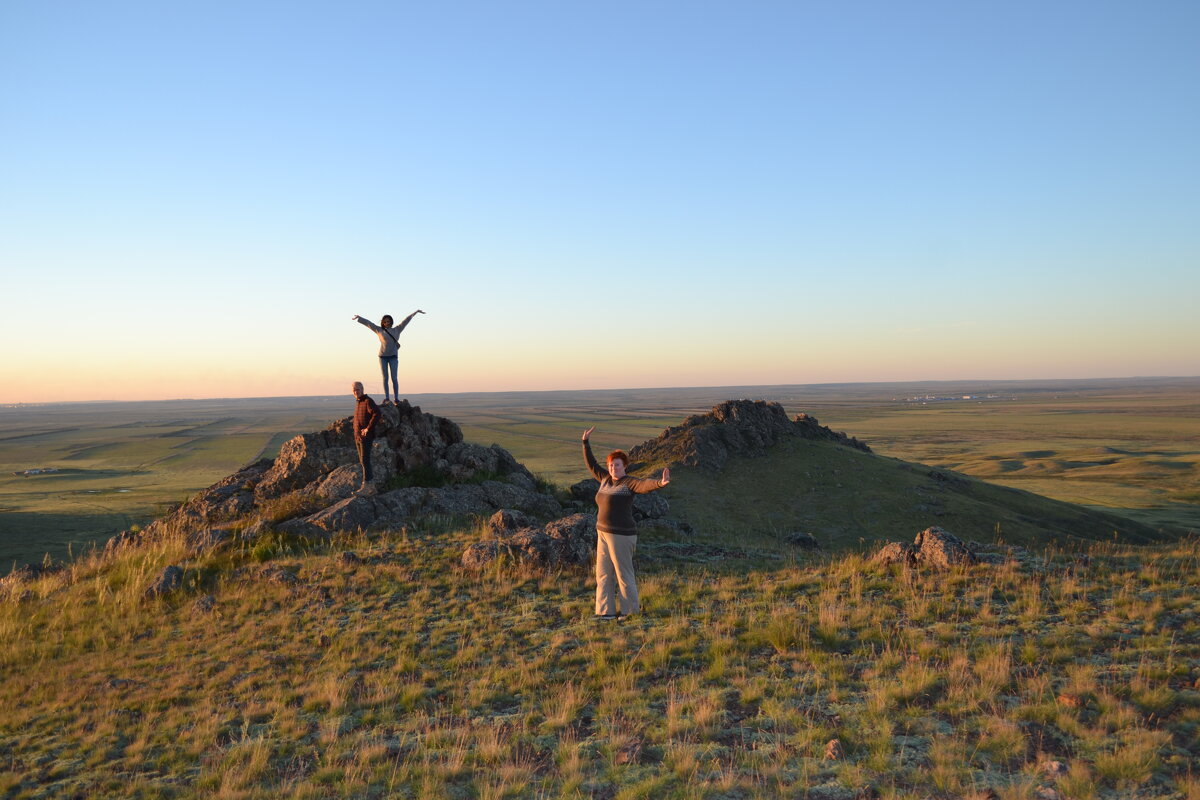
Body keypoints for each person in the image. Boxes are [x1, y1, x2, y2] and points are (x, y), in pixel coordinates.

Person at [581, 426, 670, 620]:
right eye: (612, 465)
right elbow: (592, 465)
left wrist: (659, 483)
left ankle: (630, 612)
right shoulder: (605, 479)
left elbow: (644, 485)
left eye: (618, 465)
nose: (614, 468)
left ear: (625, 467)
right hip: (602, 533)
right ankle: (605, 612)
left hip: (621, 535)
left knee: (623, 574)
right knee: (603, 574)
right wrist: (585, 443)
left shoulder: (629, 483)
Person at [352, 310, 425, 403]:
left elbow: (406, 321)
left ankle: (396, 398)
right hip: (383, 357)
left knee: (394, 378)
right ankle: (387, 397)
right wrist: (359, 318)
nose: (387, 323)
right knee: (385, 378)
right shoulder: (379, 330)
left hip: (393, 357)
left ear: (391, 322)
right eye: (385, 321)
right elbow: (369, 324)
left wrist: (415, 312)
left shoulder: (397, 329)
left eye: (389, 321)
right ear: (383, 322)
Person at [351, 381, 381, 494]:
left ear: (362, 389)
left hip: (366, 437)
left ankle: (367, 486)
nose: (355, 392)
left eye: (357, 389)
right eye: (353, 390)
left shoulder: (368, 401)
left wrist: (368, 428)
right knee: (363, 461)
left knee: (365, 460)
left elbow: (377, 413)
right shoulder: (359, 402)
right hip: (358, 437)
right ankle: (371, 486)